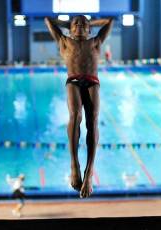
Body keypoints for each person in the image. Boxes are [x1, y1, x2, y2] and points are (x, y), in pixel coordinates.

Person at [44, 16, 113, 198]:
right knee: (75, 116)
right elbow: (48, 20)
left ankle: (89, 173)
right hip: (73, 81)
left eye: (84, 24)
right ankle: (74, 165)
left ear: (90, 29)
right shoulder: (64, 41)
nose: (80, 26)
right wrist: (70, 25)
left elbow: (109, 21)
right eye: (76, 23)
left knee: (93, 122)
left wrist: (86, 25)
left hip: (92, 82)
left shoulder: (96, 41)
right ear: (69, 29)